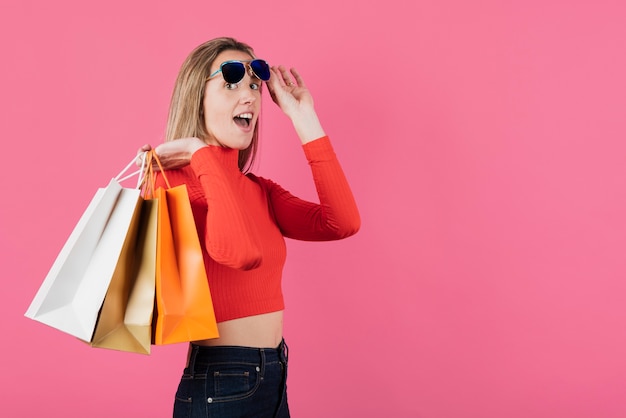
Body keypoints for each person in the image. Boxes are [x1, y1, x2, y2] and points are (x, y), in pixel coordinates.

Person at [139, 37, 360, 418]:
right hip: (221, 382)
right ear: (198, 97)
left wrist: (304, 117)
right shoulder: (169, 182)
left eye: (255, 85)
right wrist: (198, 152)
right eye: (231, 82)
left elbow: (341, 223)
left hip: (273, 373)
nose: (250, 96)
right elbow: (239, 254)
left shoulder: (259, 190)